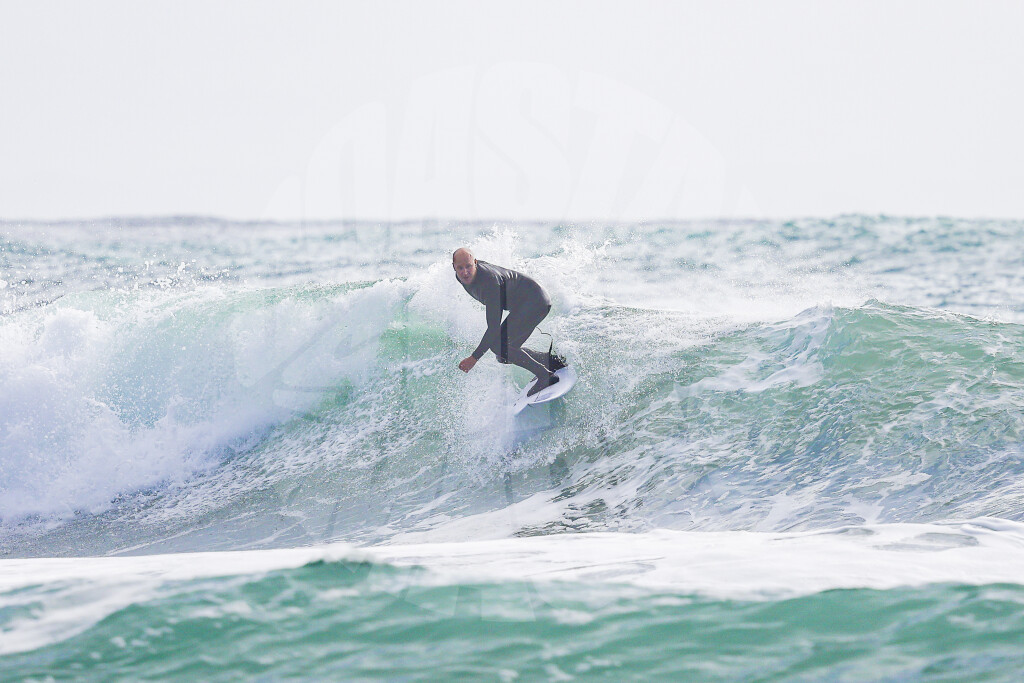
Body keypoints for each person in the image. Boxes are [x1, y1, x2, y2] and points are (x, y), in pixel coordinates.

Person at [453, 248, 565, 396]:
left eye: (468, 266)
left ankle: (545, 376)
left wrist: (474, 358)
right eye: (460, 268)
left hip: (535, 301)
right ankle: (552, 361)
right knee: (503, 355)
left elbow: (493, 328)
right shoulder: (460, 277)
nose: (465, 272)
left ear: (475, 263)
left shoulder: (490, 283)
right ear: (454, 267)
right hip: (523, 304)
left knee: (499, 347)